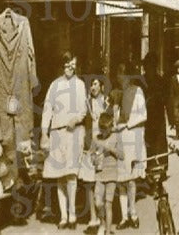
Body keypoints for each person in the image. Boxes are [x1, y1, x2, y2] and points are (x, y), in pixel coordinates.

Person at [41, 52, 88, 229]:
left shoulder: (80, 85)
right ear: (63, 65)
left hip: (74, 133)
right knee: (59, 175)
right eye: (67, 65)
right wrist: (44, 133)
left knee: (71, 174)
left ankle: (73, 214)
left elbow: (83, 109)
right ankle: (63, 216)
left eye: (73, 65)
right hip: (57, 133)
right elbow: (47, 109)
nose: (70, 68)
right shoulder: (54, 85)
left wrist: (75, 120)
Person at [113, 62, 146, 231]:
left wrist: (127, 125)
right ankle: (124, 217)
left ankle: (133, 213)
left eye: (121, 74)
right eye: (118, 74)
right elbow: (114, 118)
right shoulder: (117, 94)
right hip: (120, 139)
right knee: (121, 181)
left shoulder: (137, 91)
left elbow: (142, 115)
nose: (119, 78)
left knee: (131, 180)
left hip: (132, 138)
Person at [80, 74, 109, 233]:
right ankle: (93, 217)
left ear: (102, 86)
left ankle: (103, 220)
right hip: (90, 147)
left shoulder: (106, 102)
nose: (93, 87)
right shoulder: (87, 103)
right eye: (91, 85)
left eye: (96, 84)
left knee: (102, 184)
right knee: (89, 184)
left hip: (103, 147)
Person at [89, 109, 123, 235]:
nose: (102, 133)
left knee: (108, 204)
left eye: (105, 131)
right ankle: (102, 222)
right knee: (98, 202)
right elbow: (91, 155)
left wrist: (111, 149)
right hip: (99, 174)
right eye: (101, 130)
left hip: (112, 175)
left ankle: (108, 232)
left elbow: (122, 155)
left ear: (110, 128)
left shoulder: (116, 137)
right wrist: (94, 159)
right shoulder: (96, 139)